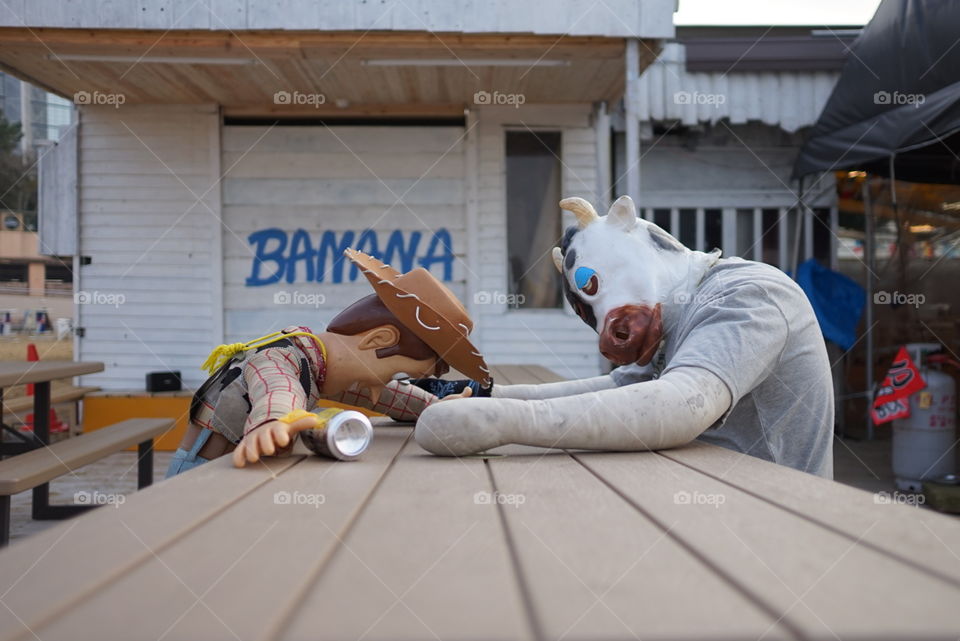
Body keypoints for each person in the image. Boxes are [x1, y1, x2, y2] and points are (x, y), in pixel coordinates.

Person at [414, 196, 835, 478]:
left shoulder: (751, 293)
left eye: (594, 285)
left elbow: (681, 404)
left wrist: (500, 423)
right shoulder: (671, 319)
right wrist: (483, 395)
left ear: (627, 224)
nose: (605, 332)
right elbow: (621, 387)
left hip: (778, 526)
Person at [166, 248, 491, 476]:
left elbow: (392, 396)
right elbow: (277, 388)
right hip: (199, 472)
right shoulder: (282, 357)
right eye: (400, 371)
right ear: (378, 340)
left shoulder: (322, 366)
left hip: (240, 472)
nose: (390, 383)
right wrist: (274, 422)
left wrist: (434, 408)